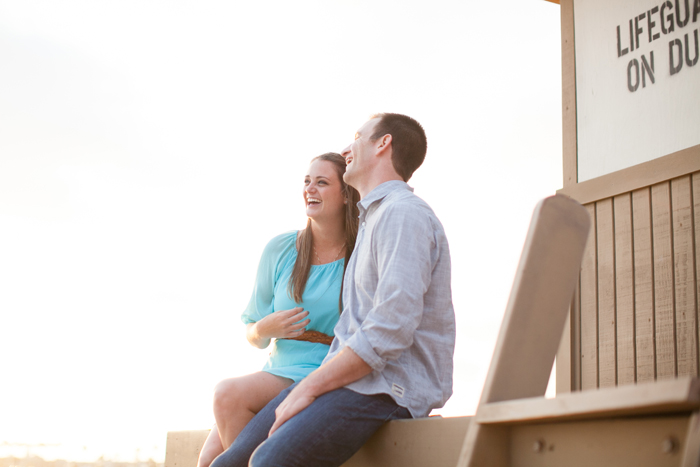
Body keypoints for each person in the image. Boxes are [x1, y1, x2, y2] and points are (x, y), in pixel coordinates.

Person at [210, 113, 455, 467]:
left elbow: (390, 328)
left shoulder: (402, 214)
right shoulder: (375, 218)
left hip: (384, 389)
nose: (347, 147)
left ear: (383, 144)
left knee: (268, 462)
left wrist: (309, 387)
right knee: (225, 464)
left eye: (358, 137)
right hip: (349, 382)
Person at [196, 153, 360, 467]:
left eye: (322, 182)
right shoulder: (280, 249)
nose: (310, 188)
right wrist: (263, 329)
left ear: (345, 195)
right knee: (207, 458)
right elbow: (252, 330)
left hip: (328, 371)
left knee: (226, 397)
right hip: (277, 371)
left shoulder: (362, 252)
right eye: (307, 181)